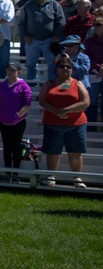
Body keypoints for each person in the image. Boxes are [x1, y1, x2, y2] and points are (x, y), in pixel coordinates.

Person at [38, 53, 91, 189]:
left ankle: (77, 178)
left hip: (75, 124)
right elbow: (42, 100)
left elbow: (85, 102)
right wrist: (56, 110)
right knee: (53, 152)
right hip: (52, 123)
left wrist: (66, 110)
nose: (65, 69)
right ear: (57, 68)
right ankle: (51, 177)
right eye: (62, 66)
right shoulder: (49, 83)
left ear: (72, 69)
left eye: (68, 66)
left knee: (75, 152)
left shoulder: (78, 83)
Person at [18, 0, 66, 84]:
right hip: (32, 40)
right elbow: (21, 23)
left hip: (49, 40)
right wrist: (25, 36)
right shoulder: (28, 5)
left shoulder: (54, 5)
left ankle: (51, 87)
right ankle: (32, 86)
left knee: (52, 65)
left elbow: (61, 21)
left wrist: (55, 36)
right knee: (31, 65)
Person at [0, 62, 31, 169]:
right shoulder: (1, 85)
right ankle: (8, 172)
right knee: (7, 146)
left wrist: (17, 116)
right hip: (3, 121)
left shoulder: (24, 86)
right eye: (8, 70)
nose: (10, 72)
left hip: (19, 122)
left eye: (13, 70)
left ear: (18, 72)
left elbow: (27, 104)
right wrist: (0, 115)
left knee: (16, 146)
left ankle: (16, 172)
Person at [84, 16, 103, 124]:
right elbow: (87, 57)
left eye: (99, 25)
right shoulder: (89, 42)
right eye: (94, 25)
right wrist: (98, 67)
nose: (95, 27)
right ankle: (91, 126)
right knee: (93, 100)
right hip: (93, 74)